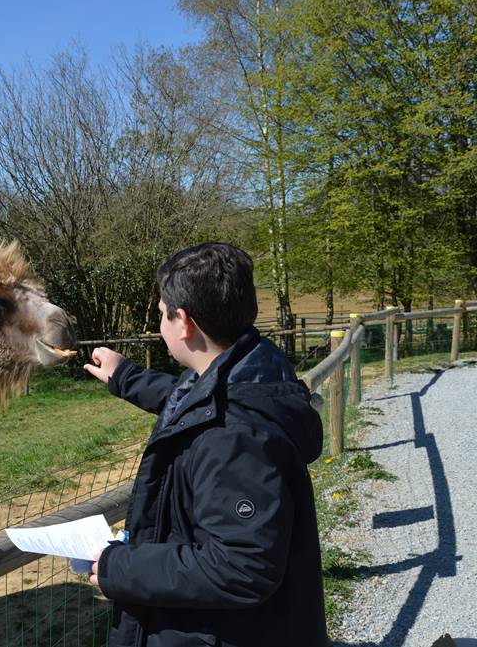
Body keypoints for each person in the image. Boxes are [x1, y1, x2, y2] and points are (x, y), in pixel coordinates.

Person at [83, 242, 328, 647]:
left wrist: (120, 568)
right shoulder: (250, 371)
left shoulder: (234, 436)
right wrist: (124, 377)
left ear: (183, 322)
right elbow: (192, 399)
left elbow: (242, 565)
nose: (159, 323)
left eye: (162, 314)